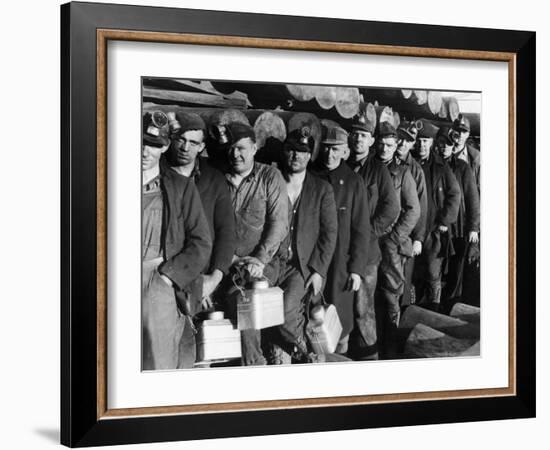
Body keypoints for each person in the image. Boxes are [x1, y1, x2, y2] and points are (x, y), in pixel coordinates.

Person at [141, 111, 212, 370]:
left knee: (156, 360)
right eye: (141, 143)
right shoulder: (105, 179)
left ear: (165, 147)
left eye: (154, 145)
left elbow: (201, 242)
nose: (145, 151)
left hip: (157, 280)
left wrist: (169, 276)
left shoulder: (179, 187)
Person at [223, 122, 289, 366]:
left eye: (241, 148)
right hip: (227, 262)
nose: (235, 154)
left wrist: (259, 259)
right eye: (231, 148)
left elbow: (279, 223)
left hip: (263, 263)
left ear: (254, 148)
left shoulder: (270, 177)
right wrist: (228, 260)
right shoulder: (220, 178)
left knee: (248, 297)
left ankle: (255, 364)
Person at [270, 127, 338, 363]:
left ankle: (305, 352)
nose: (296, 156)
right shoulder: (273, 181)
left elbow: (329, 234)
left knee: (288, 310)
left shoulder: (322, 190)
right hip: (272, 262)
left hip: (303, 265)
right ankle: (285, 355)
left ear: (310, 155)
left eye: (302, 151)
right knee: (262, 311)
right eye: (291, 150)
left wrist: (318, 270)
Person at [163, 111, 236, 312]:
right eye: (181, 140)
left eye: (193, 143)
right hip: (166, 272)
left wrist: (214, 279)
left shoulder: (214, 179)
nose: (186, 148)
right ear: (172, 140)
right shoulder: (159, 173)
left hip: (203, 274)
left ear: (202, 147)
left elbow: (226, 231)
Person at [312, 124, 370, 355]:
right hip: (315, 261)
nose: (330, 154)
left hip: (341, 265)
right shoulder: (312, 177)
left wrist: (356, 269)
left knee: (341, 321)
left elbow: (361, 230)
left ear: (345, 152)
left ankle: (340, 360)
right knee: (315, 318)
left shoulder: (354, 182)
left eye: (335, 149)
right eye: (326, 148)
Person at [347, 112, 400, 359]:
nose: (358, 139)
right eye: (355, 133)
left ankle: (370, 359)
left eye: (364, 135)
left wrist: (368, 233)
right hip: (340, 250)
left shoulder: (378, 170)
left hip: (367, 254)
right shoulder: (341, 164)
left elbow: (392, 208)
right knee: (342, 306)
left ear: (371, 141)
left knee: (363, 308)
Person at [375, 122, 420, 355]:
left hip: (392, 244)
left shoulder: (403, 173)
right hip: (370, 241)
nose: (384, 149)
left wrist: (395, 238)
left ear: (395, 148)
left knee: (391, 295)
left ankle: (391, 347)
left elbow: (413, 209)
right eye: (381, 144)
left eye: (389, 145)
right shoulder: (368, 168)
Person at [412, 119, 461, 312]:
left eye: (425, 141)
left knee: (433, 275)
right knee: (413, 276)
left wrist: (444, 221)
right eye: (419, 140)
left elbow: (454, 194)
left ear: (432, 143)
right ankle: (412, 314)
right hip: (413, 231)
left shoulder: (441, 167)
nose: (421, 145)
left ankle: (434, 314)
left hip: (433, 232)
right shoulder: (411, 163)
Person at [436, 126, 480, 305]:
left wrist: (473, 228)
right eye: (441, 143)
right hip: (438, 228)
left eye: (448, 144)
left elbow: (473, 200)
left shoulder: (462, 168)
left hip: (458, 230)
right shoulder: (432, 165)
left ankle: (451, 310)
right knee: (436, 272)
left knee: (455, 274)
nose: (444, 148)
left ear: (453, 146)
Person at [395, 120, 428, 305]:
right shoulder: (384, 161)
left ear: (412, 144)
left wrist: (418, 238)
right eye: (400, 138)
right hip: (387, 231)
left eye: (407, 141)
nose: (402, 144)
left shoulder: (415, 170)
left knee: (403, 281)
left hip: (406, 235)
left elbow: (421, 206)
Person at [451, 114, 480, 192]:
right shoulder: (446, 151)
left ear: (468, 134)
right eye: (458, 130)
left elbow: (479, 185)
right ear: (452, 131)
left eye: (464, 131)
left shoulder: (475, 156)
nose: (460, 135)